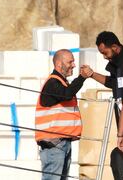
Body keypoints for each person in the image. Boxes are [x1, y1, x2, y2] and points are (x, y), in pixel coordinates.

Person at [35, 49, 90, 180]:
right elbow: (66, 94)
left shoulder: (61, 83)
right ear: (59, 64)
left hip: (61, 142)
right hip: (54, 144)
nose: (74, 65)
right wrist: (82, 77)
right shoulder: (52, 83)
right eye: (70, 61)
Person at [83, 31, 123, 180]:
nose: (104, 56)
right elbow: (112, 83)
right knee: (117, 156)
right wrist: (92, 74)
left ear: (114, 46)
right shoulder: (116, 65)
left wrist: (121, 134)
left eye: (105, 52)